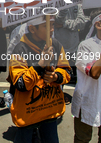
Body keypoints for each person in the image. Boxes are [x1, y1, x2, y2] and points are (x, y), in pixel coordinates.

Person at [9, 15, 71, 143]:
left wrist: (56, 76)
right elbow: (20, 84)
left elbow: (67, 70)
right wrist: (41, 64)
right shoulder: (19, 49)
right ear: (32, 29)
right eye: (46, 26)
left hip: (50, 109)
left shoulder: (55, 44)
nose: (52, 29)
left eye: (52, 25)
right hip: (28, 111)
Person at [71, 8, 101, 143]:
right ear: (98, 24)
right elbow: (94, 73)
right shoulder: (86, 46)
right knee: (82, 139)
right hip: (88, 101)